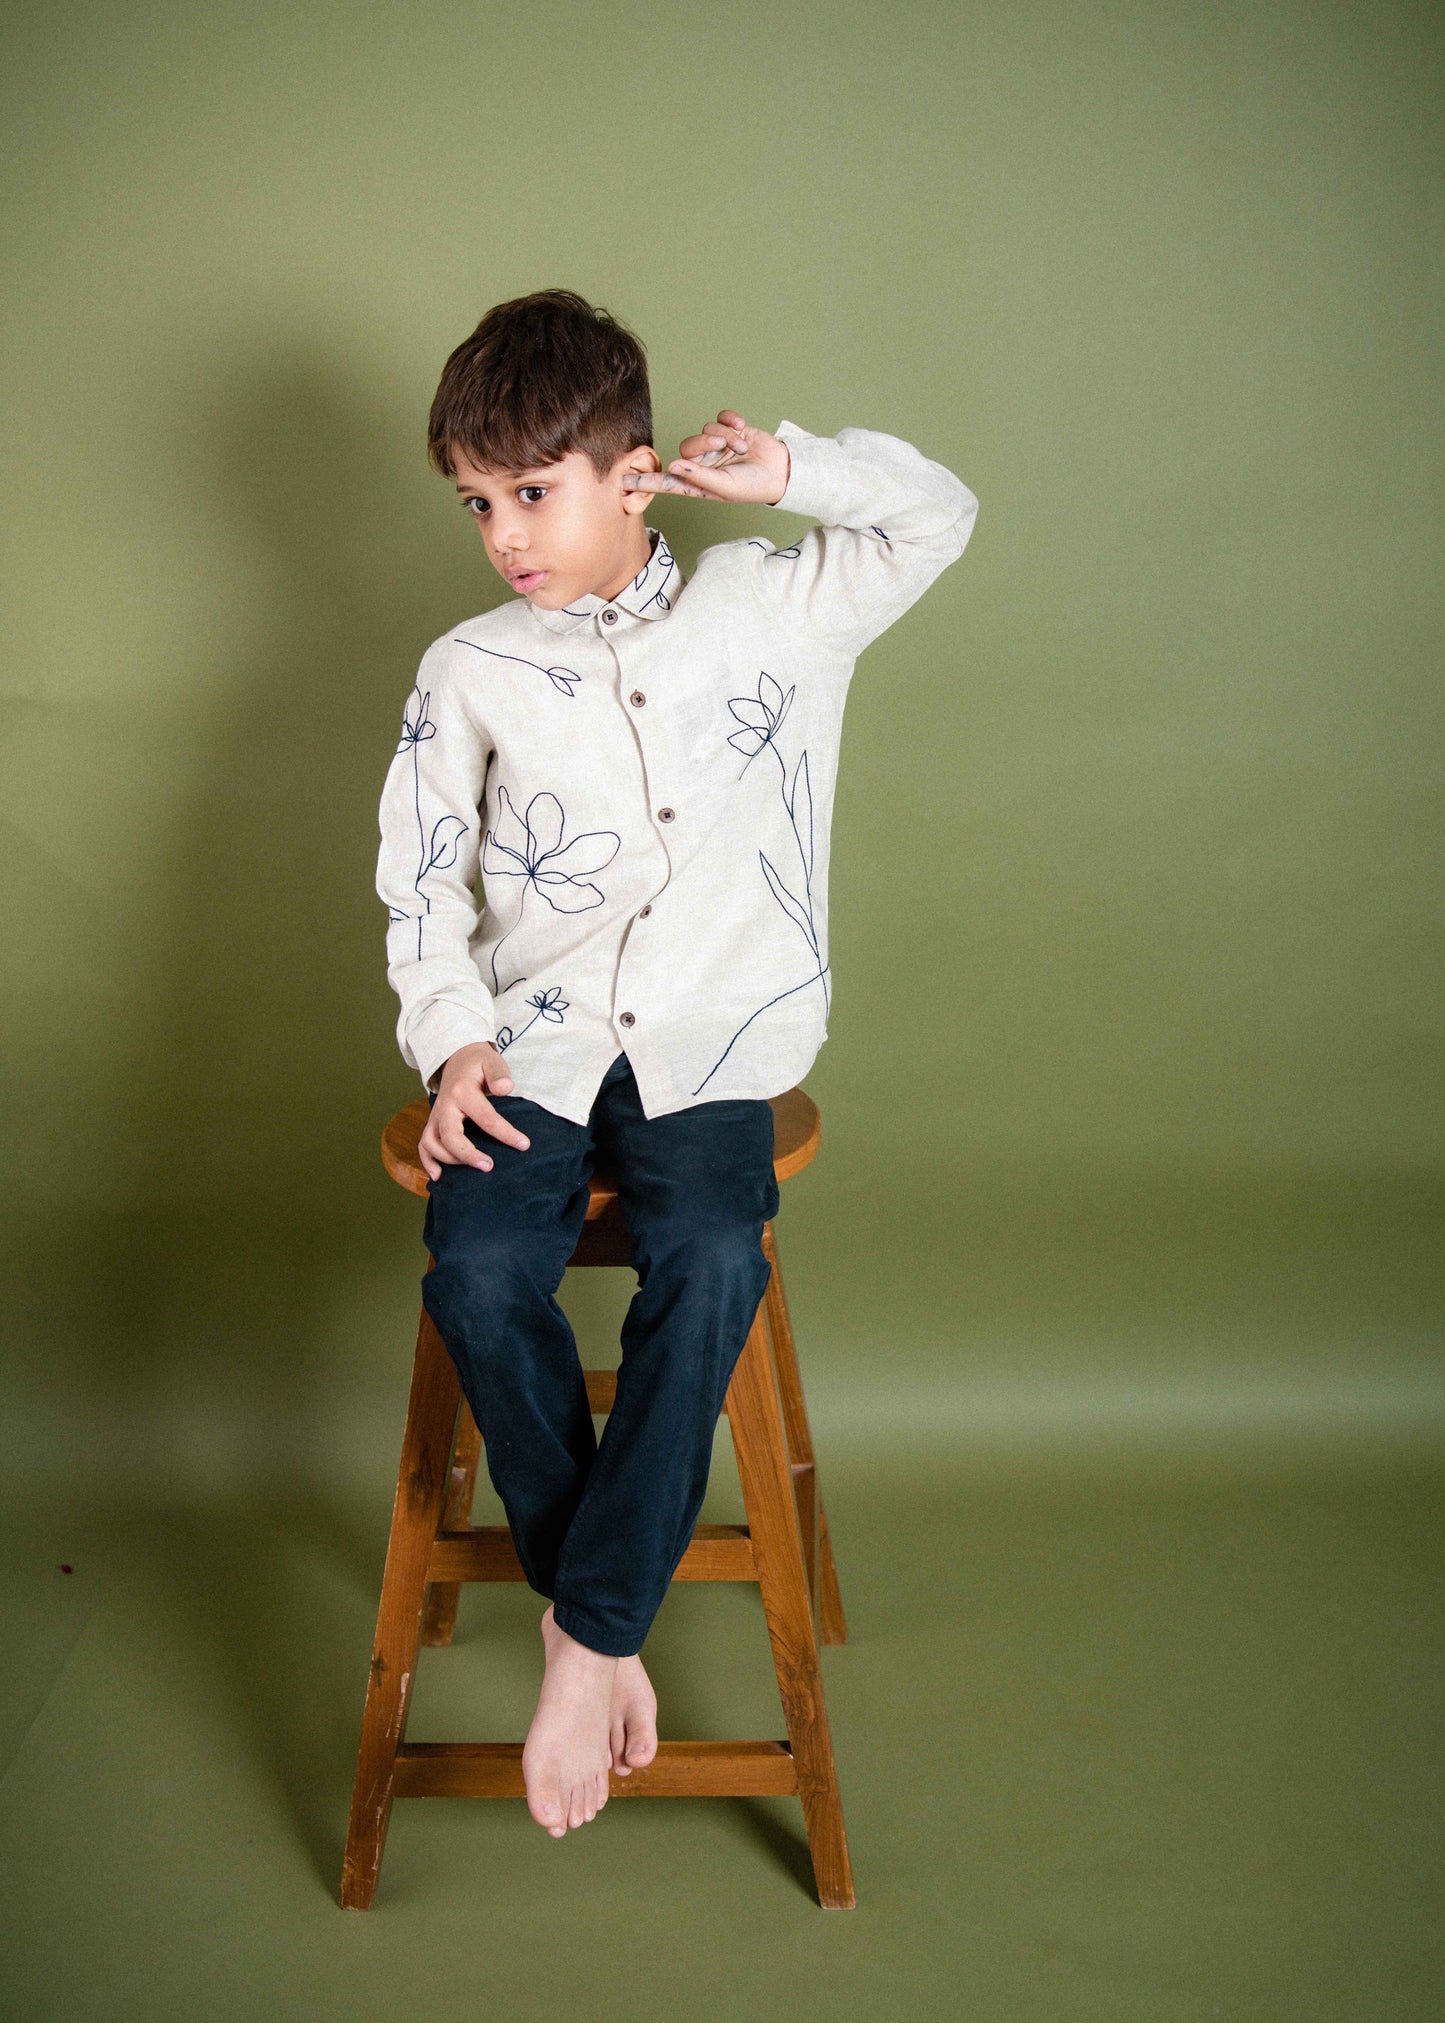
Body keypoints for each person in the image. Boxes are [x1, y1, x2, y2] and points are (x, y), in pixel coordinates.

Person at [375, 288, 979, 1840]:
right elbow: (422, 883)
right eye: (477, 503)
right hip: (536, 1051)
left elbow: (936, 515)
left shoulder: (774, 605)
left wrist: (787, 469)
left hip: (721, 1042)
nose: (503, 533)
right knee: (475, 1266)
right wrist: (450, 1045)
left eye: (532, 491)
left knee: (713, 1253)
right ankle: (614, 1614)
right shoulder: (470, 668)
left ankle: (581, 1642)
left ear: (627, 470)